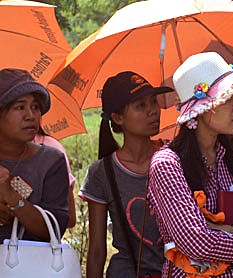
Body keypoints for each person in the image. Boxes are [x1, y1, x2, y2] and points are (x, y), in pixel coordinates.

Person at [148, 52, 233, 277]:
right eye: (229, 97)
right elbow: (197, 243)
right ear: (203, 110)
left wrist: (227, 230)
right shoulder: (167, 165)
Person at [79, 72, 171, 277]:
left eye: (153, 102)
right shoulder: (102, 172)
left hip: (176, 271)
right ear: (118, 118)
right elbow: (96, 251)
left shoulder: (174, 158)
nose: (153, 112)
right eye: (141, 106)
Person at [0, 68, 69, 242]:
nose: (31, 116)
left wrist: (12, 197)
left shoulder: (51, 161)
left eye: (35, 107)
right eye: (19, 107)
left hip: (31, 266)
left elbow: (55, 229)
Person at [33, 127, 77, 228]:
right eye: (19, 109)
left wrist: (17, 207)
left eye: (35, 110)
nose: (30, 116)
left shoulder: (50, 150)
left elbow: (68, 218)